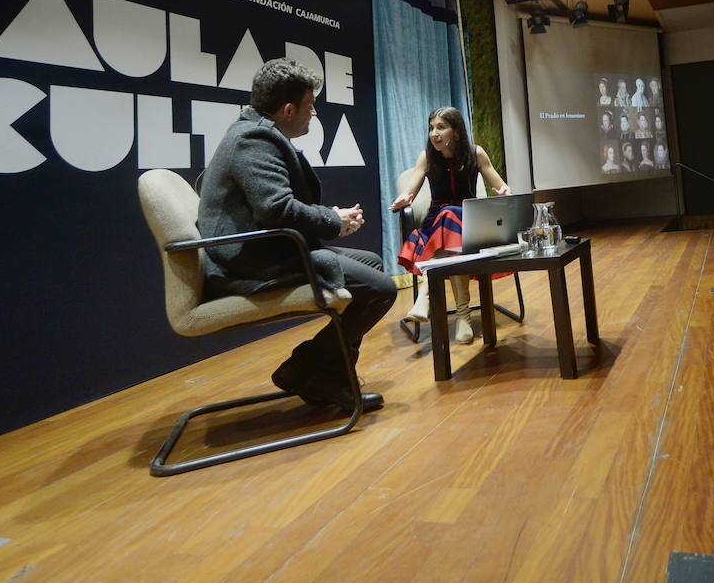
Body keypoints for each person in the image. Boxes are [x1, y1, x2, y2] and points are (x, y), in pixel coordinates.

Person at [199, 58, 396, 412]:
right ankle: (305, 368)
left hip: (264, 251)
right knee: (382, 290)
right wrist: (333, 221)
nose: (314, 113)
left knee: (373, 264)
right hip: (250, 264)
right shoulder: (253, 139)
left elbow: (276, 207)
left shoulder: (256, 132)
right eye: (310, 105)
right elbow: (277, 208)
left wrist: (331, 218)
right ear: (288, 109)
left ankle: (329, 378)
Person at [392, 106, 511, 345]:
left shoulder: (476, 154)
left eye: (441, 127)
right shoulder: (427, 157)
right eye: (431, 128)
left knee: (451, 216)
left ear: (455, 132)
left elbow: (500, 185)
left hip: (471, 223)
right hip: (435, 226)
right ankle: (463, 316)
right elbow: (411, 188)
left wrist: (505, 191)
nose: (434, 134)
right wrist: (405, 197)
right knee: (447, 215)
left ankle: (427, 292)